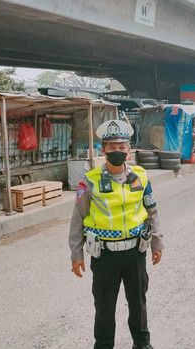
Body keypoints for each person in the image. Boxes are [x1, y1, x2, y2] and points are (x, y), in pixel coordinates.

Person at [69, 119, 164, 349]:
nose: (117, 152)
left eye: (122, 147)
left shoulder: (141, 177)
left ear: (128, 150)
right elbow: (77, 218)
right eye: (112, 148)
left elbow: (152, 210)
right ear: (103, 150)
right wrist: (76, 253)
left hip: (135, 253)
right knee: (104, 307)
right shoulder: (89, 181)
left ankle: (142, 344)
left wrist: (157, 243)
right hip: (105, 257)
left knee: (138, 303)